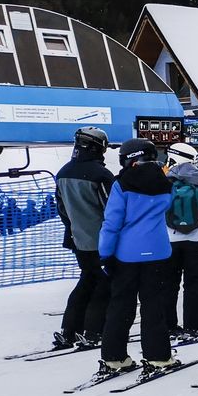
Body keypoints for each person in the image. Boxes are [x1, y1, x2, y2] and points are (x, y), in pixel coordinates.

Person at [97, 138, 175, 374]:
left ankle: (114, 356)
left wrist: (105, 254)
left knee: (121, 305)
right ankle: (158, 356)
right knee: (154, 306)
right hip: (158, 252)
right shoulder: (166, 182)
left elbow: (112, 223)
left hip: (127, 255)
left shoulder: (121, 184)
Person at [53, 126, 114, 350]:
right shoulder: (100, 175)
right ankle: (94, 329)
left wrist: (72, 230)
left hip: (78, 239)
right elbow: (112, 209)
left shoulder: (63, 172)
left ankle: (70, 328)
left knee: (87, 280)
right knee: (104, 284)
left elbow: (62, 209)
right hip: (102, 240)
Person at [162, 142, 198, 342]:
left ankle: (169, 326)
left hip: (169, 239)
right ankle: (194, 326)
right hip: (196, 239)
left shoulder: (164, 180)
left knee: (169, 284)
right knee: (195, 284)